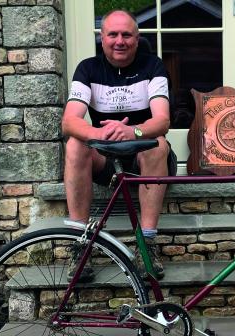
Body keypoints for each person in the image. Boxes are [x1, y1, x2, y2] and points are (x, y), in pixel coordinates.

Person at [61, 9, 175, 279]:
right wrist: (100, 135)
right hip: (107, 158)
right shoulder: (88, 68)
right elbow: (69, 122)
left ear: (137, 39)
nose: (119, 41)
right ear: (102, 38)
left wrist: (132, 131)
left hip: (144, 157)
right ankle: (80, 245)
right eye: (113, 34)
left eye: (127, 35)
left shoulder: (153, 66)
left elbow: (162, 120)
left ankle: (146, 245)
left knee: (157, 143)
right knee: (75, 144)